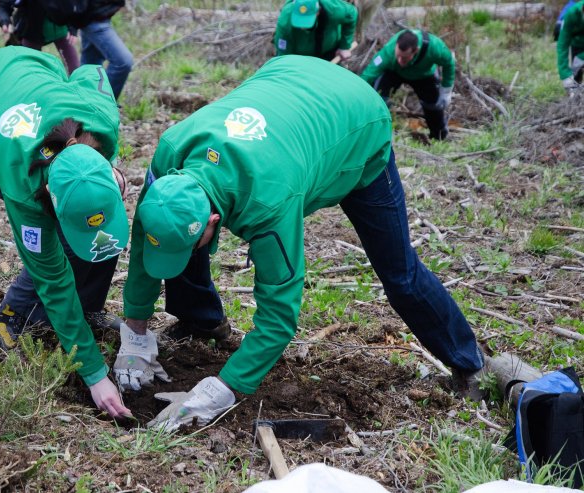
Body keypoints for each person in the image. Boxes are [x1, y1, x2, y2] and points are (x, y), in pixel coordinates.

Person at [119, 55, 486, 431]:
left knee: (400, 274)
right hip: (290, 78)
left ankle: (470, 365)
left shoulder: (269, 204)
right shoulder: (170, 156)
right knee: (182, 237)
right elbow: (149, 241)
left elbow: (279, 317)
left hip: (355, 123)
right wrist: (134, 331)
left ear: (216, 221)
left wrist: (223, 389)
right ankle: (202, 323)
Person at [0, 46, 131, 418]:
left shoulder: (101, 120)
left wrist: (110, 170)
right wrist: (94, 375)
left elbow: (92, 72)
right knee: (56, 243)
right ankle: (10, 317)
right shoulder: (23, 187)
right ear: (52, 199)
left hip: (28, 62)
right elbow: (52, 279)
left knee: (96, 232)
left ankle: (87, 309)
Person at [361, 29, 455, 140]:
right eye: (398, 56)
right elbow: (370, 72)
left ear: (416, 50)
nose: (400, 60)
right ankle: (376, 134)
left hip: (424, 75)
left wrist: (446, 89)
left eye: (404, 58)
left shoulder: (434, 47)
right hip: (394, 72)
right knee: (379, 98)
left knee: (433, 105)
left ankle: (438, 137)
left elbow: (449, 63)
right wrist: (358, 93)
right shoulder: (389, 52)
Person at [0, 0, 80, 74]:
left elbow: (72, 5)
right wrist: (4, 20)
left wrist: (73, 27)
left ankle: (76, 89)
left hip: (60, 30)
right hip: (32, 31)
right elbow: (4, 5)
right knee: (30, 69)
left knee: (75, 68)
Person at [79, 0, 133, 100]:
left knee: (90, 68)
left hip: (98, 15)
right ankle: (101, 106)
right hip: (93, 18)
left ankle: (83, 107)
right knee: (123, 62)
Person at [273, 0, 357, 62]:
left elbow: (352, 14)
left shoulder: (334, 8)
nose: (302, 26)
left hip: (329, 52)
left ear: (318, 12)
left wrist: (344, 46)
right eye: (299, 20)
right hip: (300, 59)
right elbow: (283, 54)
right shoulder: (285, 20)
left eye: (306, 21)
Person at [556, 0, 584, 94]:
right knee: (576, 76)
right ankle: (576, 98)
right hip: (577, 44)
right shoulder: (571, 14)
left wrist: (582, 57)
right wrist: (564, 74)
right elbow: (562, 44)